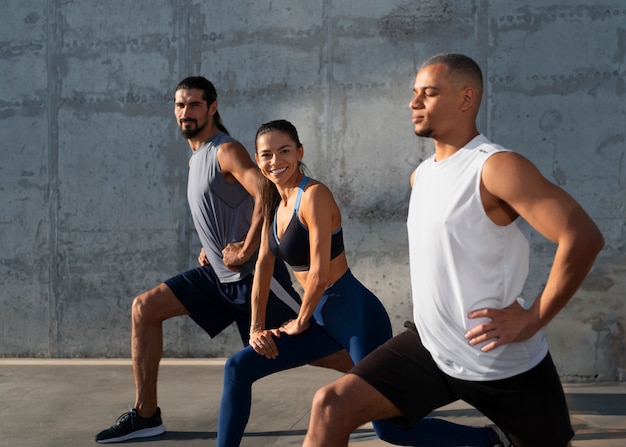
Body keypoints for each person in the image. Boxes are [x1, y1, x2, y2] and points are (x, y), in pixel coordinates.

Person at [302, 53, 605, 447]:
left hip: (501, 360)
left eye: (428, 93)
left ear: (466, 98)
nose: (414, 103)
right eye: (414, 93)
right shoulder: (422, 175)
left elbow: (582, 236)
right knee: (331, 405)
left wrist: (532, 319)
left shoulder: (495, 167)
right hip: (431, 347)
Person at [215, 119, 508, 447]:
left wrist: (299, 321)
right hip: (320, 318)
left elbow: (320, 274)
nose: (275, 161)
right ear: (257, 159)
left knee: (389, 429)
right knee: (238, 367)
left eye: (284, 151)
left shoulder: (314, 196)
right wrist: (256, 328)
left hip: (355, 315)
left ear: (299, 152)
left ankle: (490, 440)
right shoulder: (272, 203)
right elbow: (263, 270)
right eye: (266, 155)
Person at [94, 77, 351, 444]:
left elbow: (264, 191)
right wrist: (211, 247)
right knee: (144, 308)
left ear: (212, 107)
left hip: (252, 279)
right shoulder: (195, 158)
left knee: (316, 348)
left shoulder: (224, 149)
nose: (186, 112)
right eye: (180, 105)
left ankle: (386, 382)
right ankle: (146, 414)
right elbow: (223, 210)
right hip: (216, 276)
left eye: (195, 104)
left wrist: (247, 249)